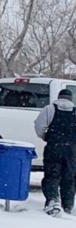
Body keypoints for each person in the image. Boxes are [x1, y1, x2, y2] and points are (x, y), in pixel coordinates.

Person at [34, 88, 76, 217]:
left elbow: (39, 126)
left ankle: (53, 200)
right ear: (71, 99)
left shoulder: (49, 109)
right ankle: (67, 206)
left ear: (58, 97)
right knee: (69, 177)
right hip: (72, 150)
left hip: (53, 147)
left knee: (52, 175)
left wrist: (46, 136)